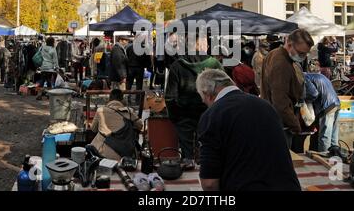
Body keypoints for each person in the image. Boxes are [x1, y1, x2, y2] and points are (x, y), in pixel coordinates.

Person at [196, 69, 301, 191]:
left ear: (207, 93)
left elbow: (209, 183)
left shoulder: (212, 115)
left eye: (204, 100)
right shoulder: (266, 106)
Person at [165, 35, 223, 168]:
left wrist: (175, 118)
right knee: (209, 156)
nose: (208, 46)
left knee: (188, 159)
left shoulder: (177, 66)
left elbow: (170, 97)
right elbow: (225, 91)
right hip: (209, 115)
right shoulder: (214, 64)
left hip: (184, 117)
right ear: (201, 45)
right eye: (206, 42)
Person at [261, 29, 314, 148]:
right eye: (301, 53)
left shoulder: (274, 54)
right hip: (280, 123)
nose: (303, 57)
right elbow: (280, 101)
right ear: (289, 44)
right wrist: (294, 124)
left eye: (305, 54)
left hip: (275, 119)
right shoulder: (281, 63)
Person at [91, 89, 143, 160]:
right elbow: (140, 126)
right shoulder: (129, 111)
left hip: (101, 153)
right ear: (122, 99)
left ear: (109, 99)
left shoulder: (100, 110)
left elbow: (93, 129)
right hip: (123, 155)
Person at [304, 73, 341, 152]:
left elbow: (313, 94)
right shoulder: (316, 76)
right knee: (333, 137)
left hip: (327, 107)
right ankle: (335, 157)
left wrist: (304, 99)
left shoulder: (305, 78)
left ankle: (324, 159)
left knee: (325, 137)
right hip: (336, 103)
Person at [126, 35, 152, 102]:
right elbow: (148, 59)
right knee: (139, 85)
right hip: (140, 68)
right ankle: (137, 100)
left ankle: (128, 98)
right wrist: (148, 66)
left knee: (129, 84)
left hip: (130, 68)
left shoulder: (129, 47)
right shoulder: (144, 48)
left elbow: (126, 57)